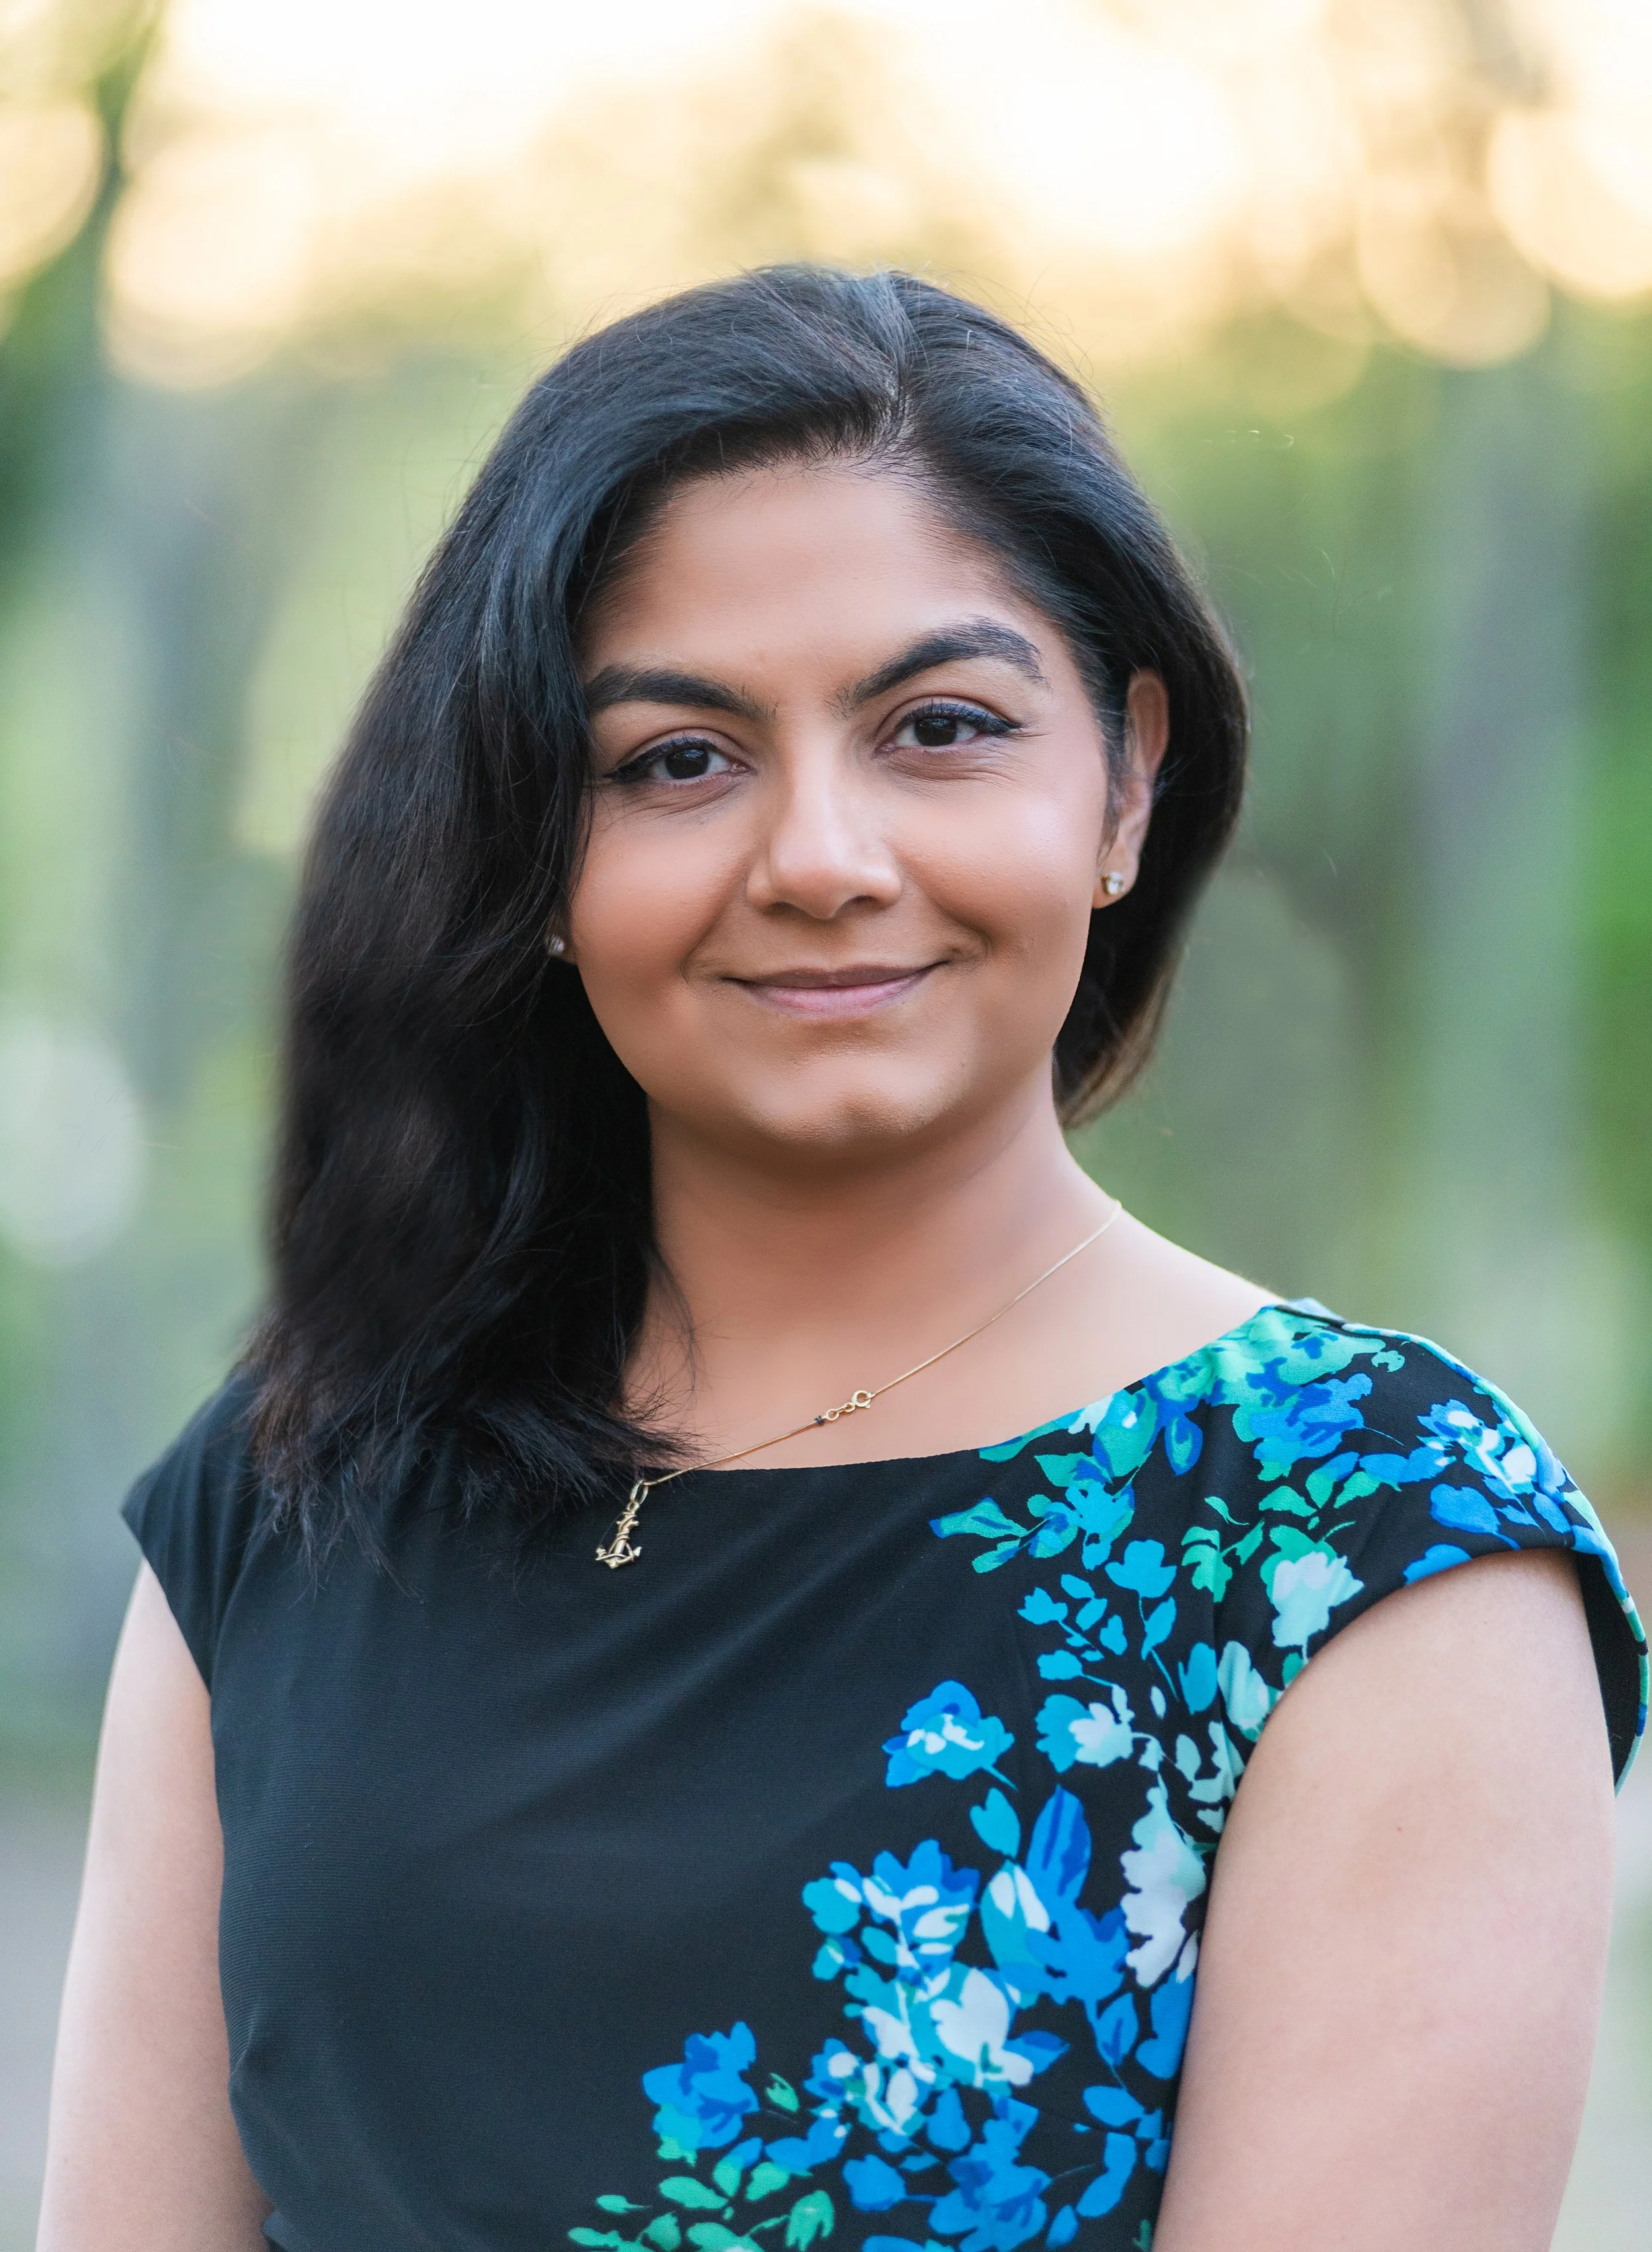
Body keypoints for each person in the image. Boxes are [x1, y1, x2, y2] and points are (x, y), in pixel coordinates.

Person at [39, 266, 1645, 2252]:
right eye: (673, 762)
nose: (817, 856)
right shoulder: (298, 1488)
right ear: (536, 848)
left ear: (1125, 784)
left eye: (938, 728)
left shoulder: (1355, 1533)